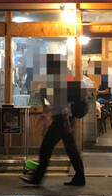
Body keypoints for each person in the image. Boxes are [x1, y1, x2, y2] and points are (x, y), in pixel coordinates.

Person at [21, 53, 86, 187]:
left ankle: (37, 178)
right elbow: (52, 99)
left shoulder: (60, 79)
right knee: (71, 149)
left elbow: (63, 103)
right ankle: (80, 177)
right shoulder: (58, 78)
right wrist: (47, 113)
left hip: (63, 120)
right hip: (63, 119)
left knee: (46, 147)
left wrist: (66, 121)